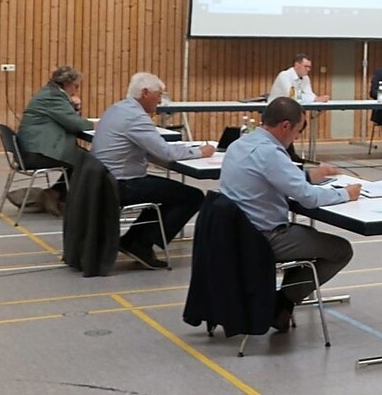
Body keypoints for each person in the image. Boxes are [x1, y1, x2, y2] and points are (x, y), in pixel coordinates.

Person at [219, 97, 361, 331]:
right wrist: (346, 193)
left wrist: (307, 176)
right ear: (285, 126)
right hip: (263, 239)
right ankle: (281, 304)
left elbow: (269, 177)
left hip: (233, 235)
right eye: (297, 130)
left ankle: (282, 303)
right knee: (340, 250)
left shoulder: (240, 144)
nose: (296, 137)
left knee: (309, 239)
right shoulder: (272, 153)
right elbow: (309, 198)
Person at [91, 72, 216, 269]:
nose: (161, 100)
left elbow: (152, 149)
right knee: (192, 196)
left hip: (104, 179)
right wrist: (200, 151)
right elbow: (166, 152)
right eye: (159, 95)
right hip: (121, 184)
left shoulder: (118, 109)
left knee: (165, 191)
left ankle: (134, 240)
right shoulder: (136, 118)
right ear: (145, 93)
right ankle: (140, 244)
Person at [16, 66, 94, 216]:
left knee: (84, 158)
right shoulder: (54, 96)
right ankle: (63, 199)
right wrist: (100, 125)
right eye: (76, 86)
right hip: (38, 152)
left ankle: (55, 195)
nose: (76, 90)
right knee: (90, 161)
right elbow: (76, 124)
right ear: (67, 84)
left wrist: (73, 107)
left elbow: (64, 117)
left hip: (32, 149)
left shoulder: (50, 93)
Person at [269, 53, 330, 162]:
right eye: (306, 66)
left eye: (309, 67)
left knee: (301, 123)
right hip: (277, 110)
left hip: (290, 109)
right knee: (290, 124)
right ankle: (288, 154)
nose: (308, 69)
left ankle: (290, 153)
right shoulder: (285, 75)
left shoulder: (305, 78)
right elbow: (293, 96)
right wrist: (315, 99)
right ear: (297, 65)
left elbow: (309, 94)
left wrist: (317, 98)